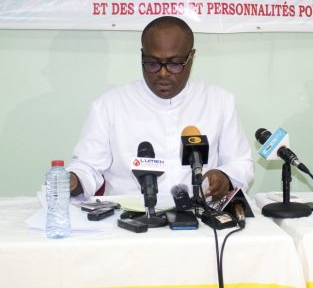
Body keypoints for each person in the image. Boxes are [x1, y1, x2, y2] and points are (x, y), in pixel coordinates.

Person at [68, 16, 254, 200]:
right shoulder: (109, 105)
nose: (163, 73)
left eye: (174, 64)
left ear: (191, 57)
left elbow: (241, 164)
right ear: (142, 56)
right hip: (127, 215)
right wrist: (73, 180)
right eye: (152, 63)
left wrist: (225, 177)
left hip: (199, 213)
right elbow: (87, 167)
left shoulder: (219, 102)